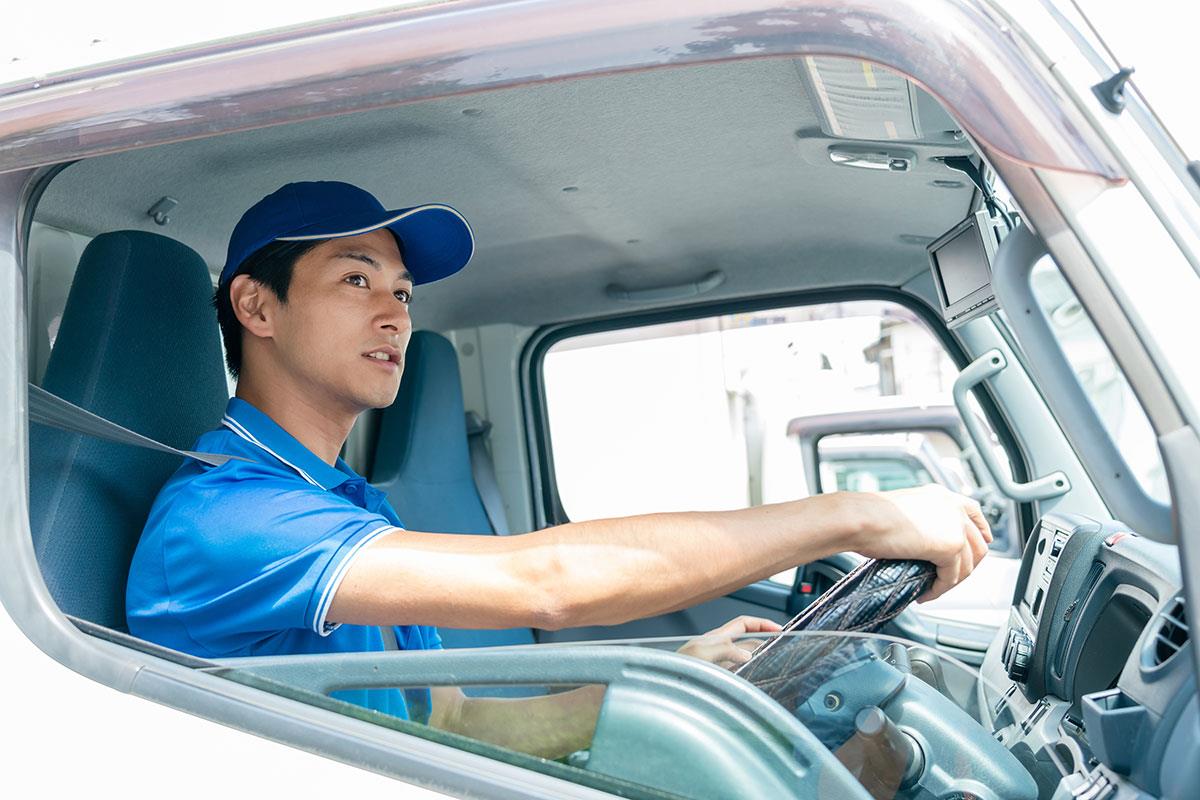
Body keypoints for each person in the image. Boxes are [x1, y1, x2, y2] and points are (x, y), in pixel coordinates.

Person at [126, 181, 991, 758]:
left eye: (404, 292)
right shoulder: (225, 518)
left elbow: (454, 721)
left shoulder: (341, 504)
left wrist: (681, 683)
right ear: (256, 305)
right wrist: (854, 514)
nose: (395, 313)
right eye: (358, 280)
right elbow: (546, 582)